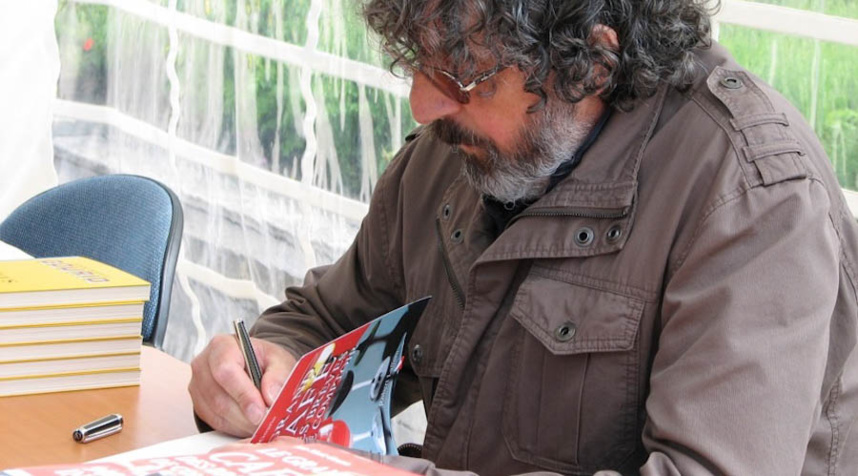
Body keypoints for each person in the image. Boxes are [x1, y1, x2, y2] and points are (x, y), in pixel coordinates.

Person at [189, 0, 858, 474]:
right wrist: (264, 366)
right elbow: (329, 318)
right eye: (419, 61)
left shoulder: (751, 198)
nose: (424, 104)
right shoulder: (458, 152)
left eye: (462, 74)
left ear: (591, 65)